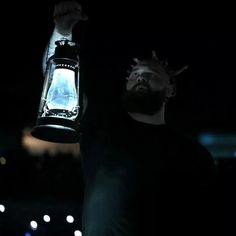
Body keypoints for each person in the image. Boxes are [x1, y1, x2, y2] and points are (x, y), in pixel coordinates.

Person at [42, 1, 221, 235]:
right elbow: (56, 82)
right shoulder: (101, 126)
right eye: (136, 74)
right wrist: (62, 32)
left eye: (151, 75)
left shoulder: (192, 154)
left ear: (170, 90)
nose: (141, 78)